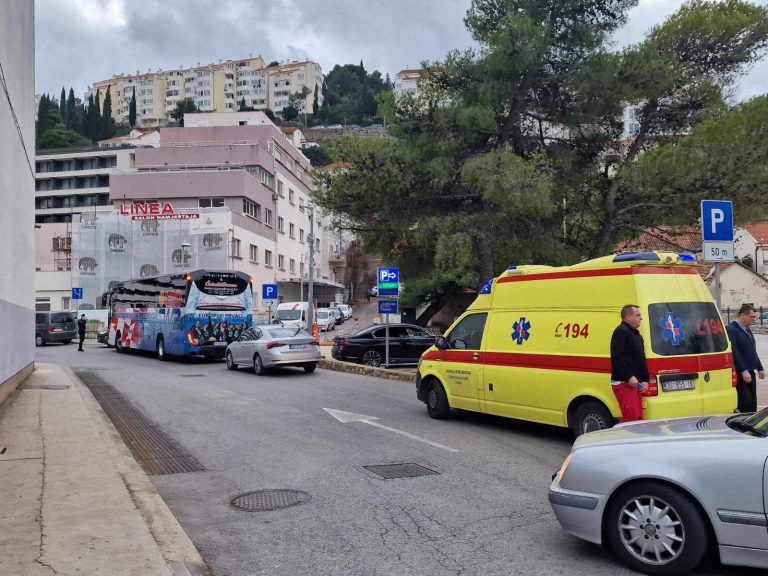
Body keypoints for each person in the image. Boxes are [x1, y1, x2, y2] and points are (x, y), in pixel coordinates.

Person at [610, 304, 650, 422]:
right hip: (624, 383)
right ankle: (624, 440)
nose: (641, 318)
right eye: (638, 315)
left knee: (637, 418)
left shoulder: (636, 335)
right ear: (628, 317)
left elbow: (641, 360)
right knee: (630, 418)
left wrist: (646, 380)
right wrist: (629, 377)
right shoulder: (621, 332)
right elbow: (617, 357)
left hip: (635, 385)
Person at [725, 304, 765, 413]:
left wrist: (760, 368)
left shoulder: (747, 330)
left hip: (750, 371)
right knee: (745, 403)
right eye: (752, 317)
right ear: (742, 315)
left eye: (755, 317)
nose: (754, 319)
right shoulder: (731, 329)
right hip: (741, 373)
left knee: (752, 403)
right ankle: (741, 426)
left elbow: (752, 350)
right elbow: (734, 352)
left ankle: (749, 425)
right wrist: (743, 371)